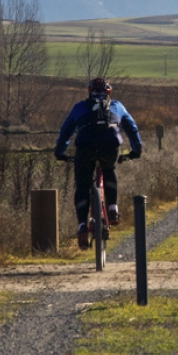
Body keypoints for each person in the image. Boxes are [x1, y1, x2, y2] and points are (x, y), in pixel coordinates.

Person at [55, 78, 142, 249]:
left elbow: (65, 132)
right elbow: (132, 128)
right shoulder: (117, 106)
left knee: (82, 185)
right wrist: (136, 150)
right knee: (109, 168)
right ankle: (112, 208)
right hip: (110, 147)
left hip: (85, 148)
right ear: (108, 92)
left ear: (89, 91)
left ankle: (81, 226)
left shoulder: (80, 107)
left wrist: (60, 152)